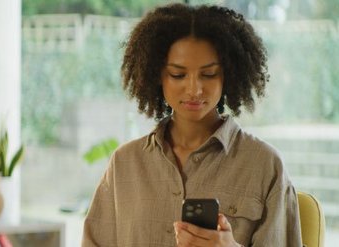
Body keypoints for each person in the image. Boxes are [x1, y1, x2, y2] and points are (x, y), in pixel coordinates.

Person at [82, 3, 302, 247]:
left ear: (228, 74)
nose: (194, 89)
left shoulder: (265, 166)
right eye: (178, 75)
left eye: (208, 74)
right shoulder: (124, 164)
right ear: (156, 75)